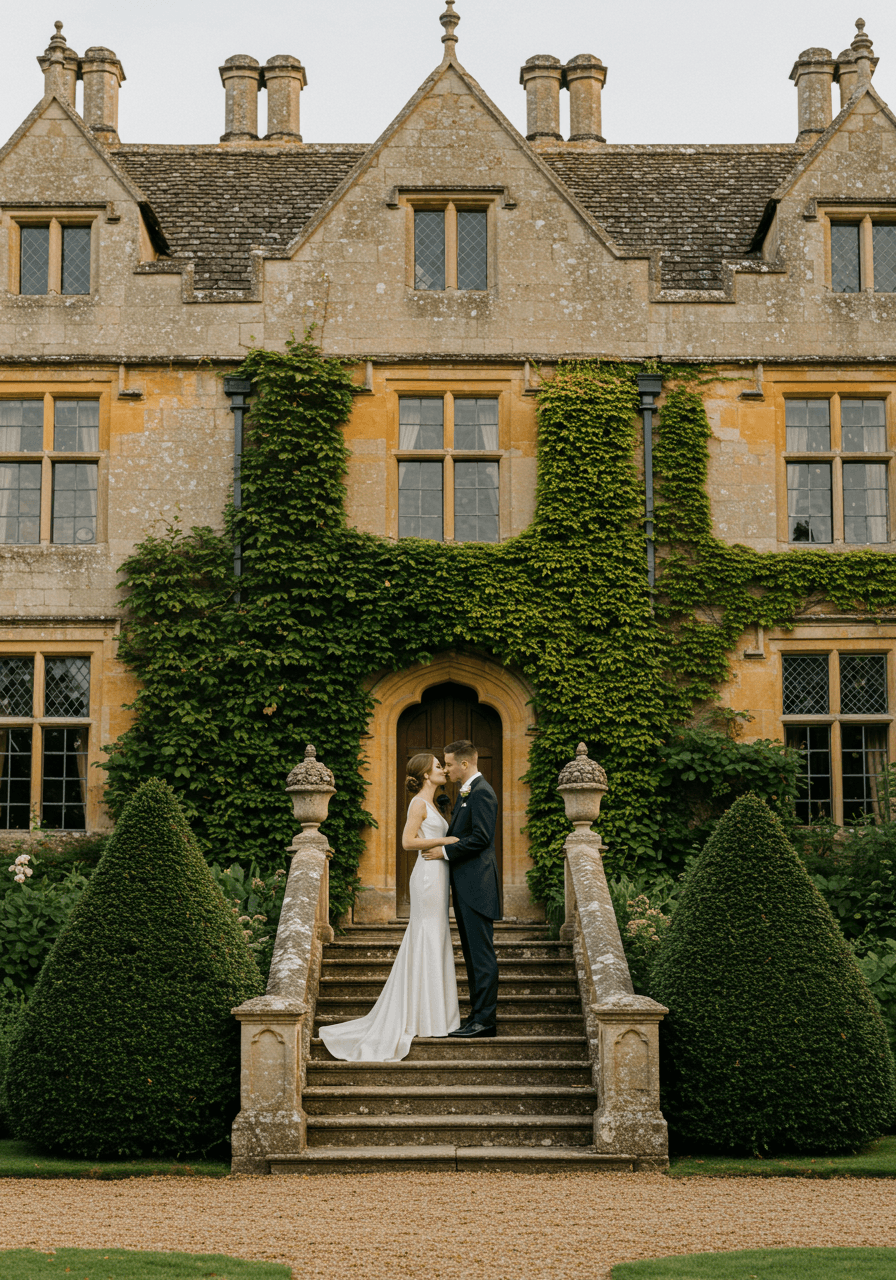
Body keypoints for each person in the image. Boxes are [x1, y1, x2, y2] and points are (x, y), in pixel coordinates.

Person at [319, 753, 461, 1062]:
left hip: (438, 875)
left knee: (436, 936)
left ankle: (433, 1016)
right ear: (425, 774)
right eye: (438, 767)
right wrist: (449, 839)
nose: (443, 771)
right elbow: (408, 842)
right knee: (427, 935)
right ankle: (424, 1017)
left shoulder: (433, 803)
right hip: (427, 877)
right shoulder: (419, 805)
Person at [421, 739, 500, 1038]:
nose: (447, 769)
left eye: (450, 764)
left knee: (481, 956)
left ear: (465, 764)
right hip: (468, 886)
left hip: (478, 887)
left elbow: (481, 838)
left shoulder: (482, 793)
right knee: (472, 955)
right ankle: (476, 1016)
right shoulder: (469, 793)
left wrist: (443, 852)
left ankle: (485, 1022)